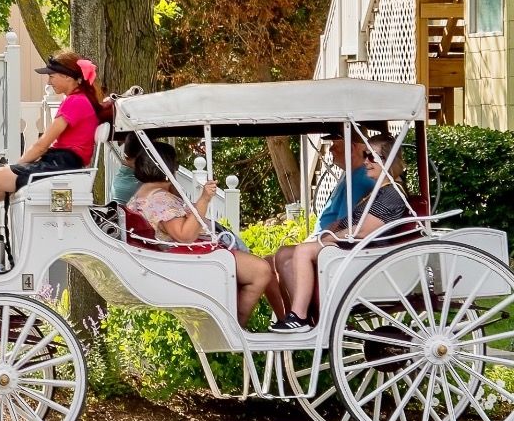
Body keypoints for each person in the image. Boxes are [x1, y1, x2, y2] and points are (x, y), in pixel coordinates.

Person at [0, 50, 106, 271]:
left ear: (69, 77)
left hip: (58, 165)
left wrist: (19, 165)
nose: (49, 79)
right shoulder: (79, 100)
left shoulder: (75, 102)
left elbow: (42, 144)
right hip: (60, 164)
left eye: (53, 75)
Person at [123, 133, 277, 327]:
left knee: (269, 264)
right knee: (261, 270)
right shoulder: (160, 199)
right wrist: (204, 198)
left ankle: (272, 320)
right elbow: (185, 235)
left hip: (178, 257)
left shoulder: (144, 195)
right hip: (187, 258)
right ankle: (236, 328)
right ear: (167, 168)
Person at [271, 130, 416, 331]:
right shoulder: (378, 190)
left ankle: (300, 317)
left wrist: (330, 237)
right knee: (286, 252)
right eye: (365, 155)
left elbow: (363, 231)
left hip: (368, 254)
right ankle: (304, 315)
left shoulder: (392, 193)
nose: (366, 161)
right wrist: (329, 232)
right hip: (356, 249)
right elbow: (349, 222)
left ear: (387, 160)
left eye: (371, 156)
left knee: (304, 251)